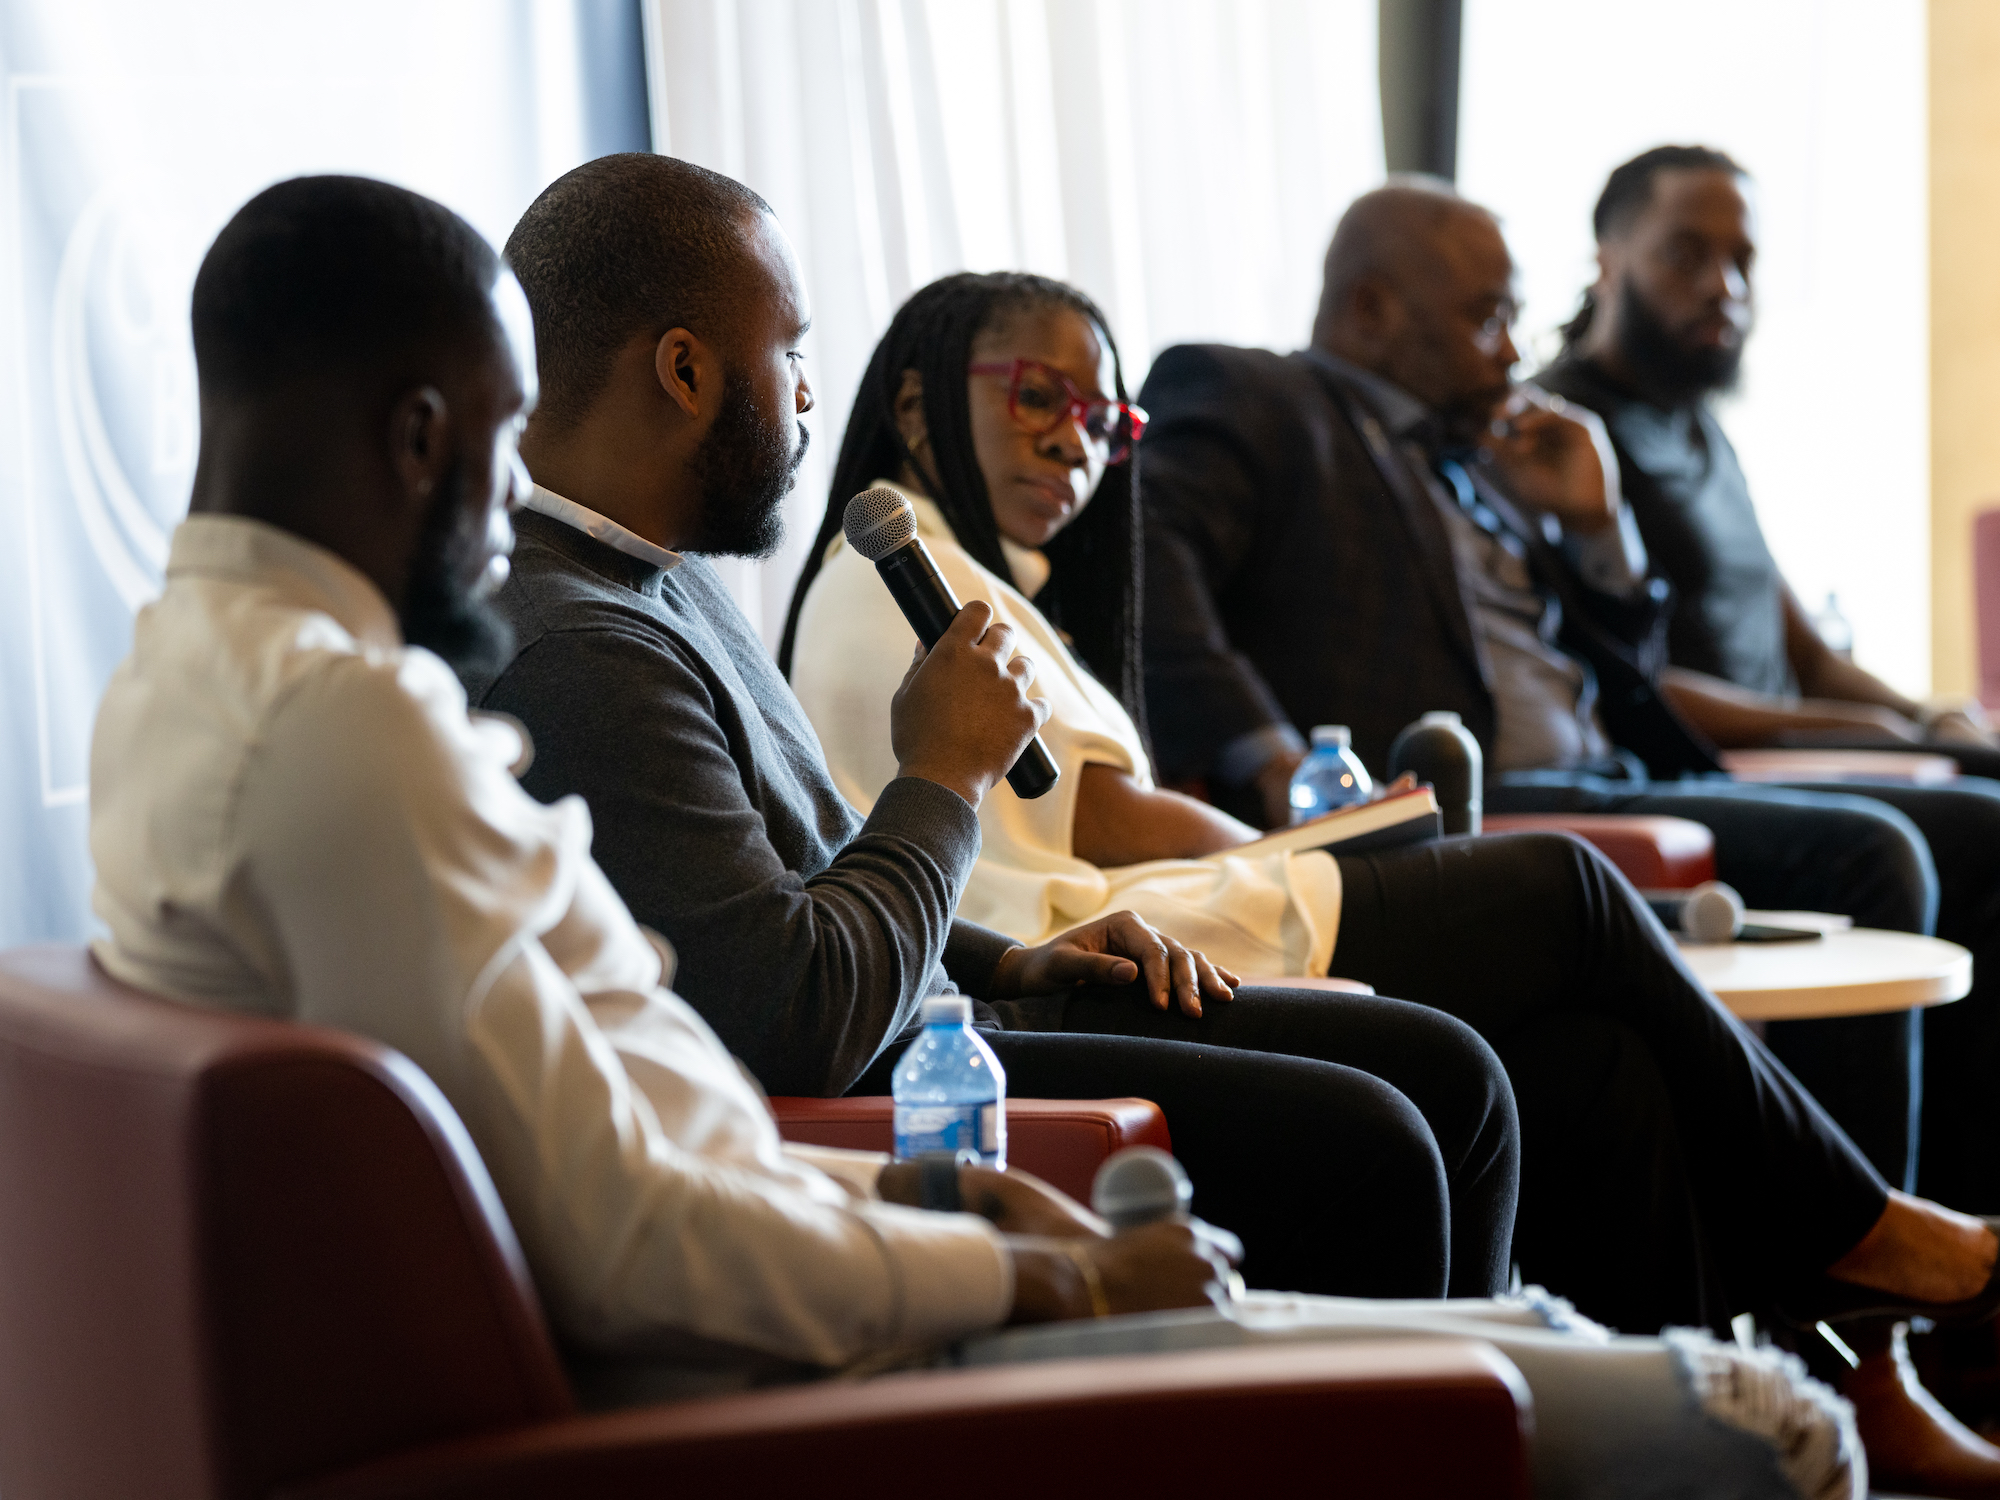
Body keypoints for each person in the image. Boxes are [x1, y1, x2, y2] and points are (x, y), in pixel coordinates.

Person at [84, 172, 1879, 1500]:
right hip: (789, 1370)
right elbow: (693, 1152)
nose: (507, 498)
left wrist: (973, 1105)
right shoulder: (374, 720)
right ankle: (1820, 1342)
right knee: (1740, 1428)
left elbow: (649, 1104)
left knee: (1544, 1176)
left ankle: (1736, 1342)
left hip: (843, 1212)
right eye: (496, 439)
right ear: (424, 433)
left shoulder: (204, 680)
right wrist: (1034, 1258)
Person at [474, 153, 1518, 1304]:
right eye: (790, 353)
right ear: (684, 370)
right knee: (1376, 1135)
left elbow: (814, 875)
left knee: (1451, 1072)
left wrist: (1013, 959)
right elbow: (791, 1016)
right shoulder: (576, 647)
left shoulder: (660, 581)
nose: (808, 398)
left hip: (933, 1014)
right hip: (879, 1102)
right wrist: (944, 774)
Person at [1135, 176, 2000, 1495]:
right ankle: (1866, 1309)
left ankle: (1777, 1389)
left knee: (1629, 1043)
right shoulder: (1256, 396)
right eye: (1484, 316)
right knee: (1871, 850)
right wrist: (1267, 757)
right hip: (1465, 793)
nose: (1510, 347)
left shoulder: (1488, 460)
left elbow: (1630, 676)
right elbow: (1155, 568)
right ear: (1368, 309)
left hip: (1599, 767)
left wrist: (1593, 530)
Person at [1536, 145, 2000, 1217]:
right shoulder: (1561, 438)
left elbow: (1806, 649)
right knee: (1980, 827)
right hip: (1698, 762)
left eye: (1740, 259)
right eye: (1685, 254)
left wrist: (1925, 714)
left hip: (1788, 742)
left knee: (1987, 772)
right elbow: (1632, 685)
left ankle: (1969, 1215)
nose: (1723, 285)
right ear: (1607, 258)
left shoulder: (1699, 431)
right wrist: (1861, 735)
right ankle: (1895, 1235)